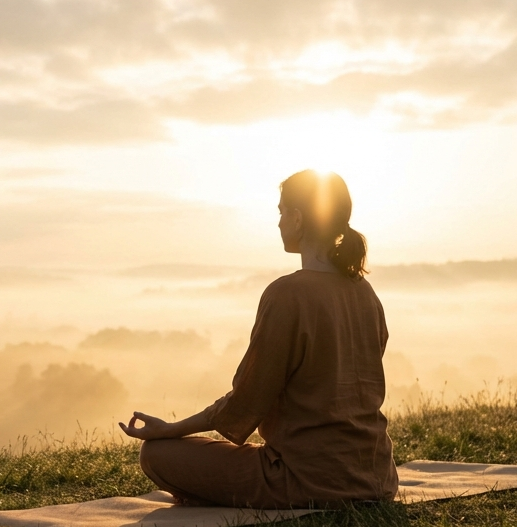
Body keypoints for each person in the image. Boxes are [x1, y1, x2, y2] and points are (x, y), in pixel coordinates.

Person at [119, 170, 398, 508]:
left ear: (297, 218)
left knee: (157, 454)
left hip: (305, 481)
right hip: (378, 478)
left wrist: (170, 430)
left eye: (281, 212)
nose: (279, 222)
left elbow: (247, 400)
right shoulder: (365, 293)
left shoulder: (287, 295)